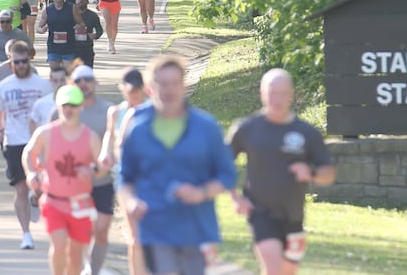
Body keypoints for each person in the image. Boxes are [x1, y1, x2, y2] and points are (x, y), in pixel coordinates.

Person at [119, 56, 237, 275]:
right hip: (155, 227)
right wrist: (132, 202)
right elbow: (125, 179)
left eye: (174, 83)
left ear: (184, 85)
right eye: (162, 83)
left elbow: (227, 175)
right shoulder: (138, 130)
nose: (169, 89)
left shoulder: (206, 127)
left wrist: (201, 193)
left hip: (197, 228)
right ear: (150, 89)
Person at [227, 69, 335, 275]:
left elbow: (328, 173)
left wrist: (311, 173)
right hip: (260, 214)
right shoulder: (247, 129)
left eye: (283, 93)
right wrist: (235, 198)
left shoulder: (306, 133)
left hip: (294, 217)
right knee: (273, 269)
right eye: (272, 92)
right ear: (262, 94)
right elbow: (221, 163)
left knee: (287, 272)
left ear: (291, 95)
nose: (277, 99)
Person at [22, 84, 105, 275]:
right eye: (65, 105)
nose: (69, 109)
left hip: (80, 203)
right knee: (59, 245)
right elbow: (28, 153)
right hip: (53, 201)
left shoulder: (90, 137)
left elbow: (101, 168)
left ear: (81, 106)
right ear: (58, 106)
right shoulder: (46, 133)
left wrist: (91, 170)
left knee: (75, 255)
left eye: (73, 105)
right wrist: (31, 173)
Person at [0, 40, 52, 250]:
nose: (21, 65)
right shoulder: (4, 87)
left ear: (29, 59)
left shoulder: (43, 86)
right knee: (19, 188)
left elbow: (51, 111)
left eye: (24, 61)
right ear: (11, 63)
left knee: (40, 187)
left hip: (37, 142)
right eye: (17, 62)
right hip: (14, 141)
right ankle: (26, 234)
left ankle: (35, 197)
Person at [60, 65, 114, 275]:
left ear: (95, 83)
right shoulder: (64, 110)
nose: (84, 84)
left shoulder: (108, 110)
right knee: (76, 234)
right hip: (72, 183)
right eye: (79, 80)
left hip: (101, 182)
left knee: (100, 232)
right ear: (72, 84)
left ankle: (93, 270)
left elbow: (116, 145)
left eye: (87, 79)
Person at [99, 67, 147, 274]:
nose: (134, 94)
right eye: (130, 90)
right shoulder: (116, 112)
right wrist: (104, 153)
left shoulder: (151, 111)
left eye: (137, 90)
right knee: (135, 237)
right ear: (123, 89)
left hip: (149, 178)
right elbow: (110, 135)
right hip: (125, 179)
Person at [36, 0, 86, 70]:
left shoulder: (72, 8)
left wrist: (79, 27)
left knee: (68, 73)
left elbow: (82, 24)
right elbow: (38, 27)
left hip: (69, 47)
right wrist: (41, 30)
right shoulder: (48, 10)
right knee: (55, 73)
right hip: (53, 47)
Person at [29, 66, 69, 134]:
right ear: (50, 82)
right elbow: (32, 122)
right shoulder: (41, 103)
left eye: (62, 80)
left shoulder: (77, 104)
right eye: (55, 81)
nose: (59, 84)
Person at [73, 0, 103, 68]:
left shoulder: (93, 16)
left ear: (88, 1)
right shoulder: (70, 14)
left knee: (87, 73)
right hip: (72, 48)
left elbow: (100, 30)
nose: (81, 0)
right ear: (75, 1)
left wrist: (95, 35)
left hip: (87, 48)